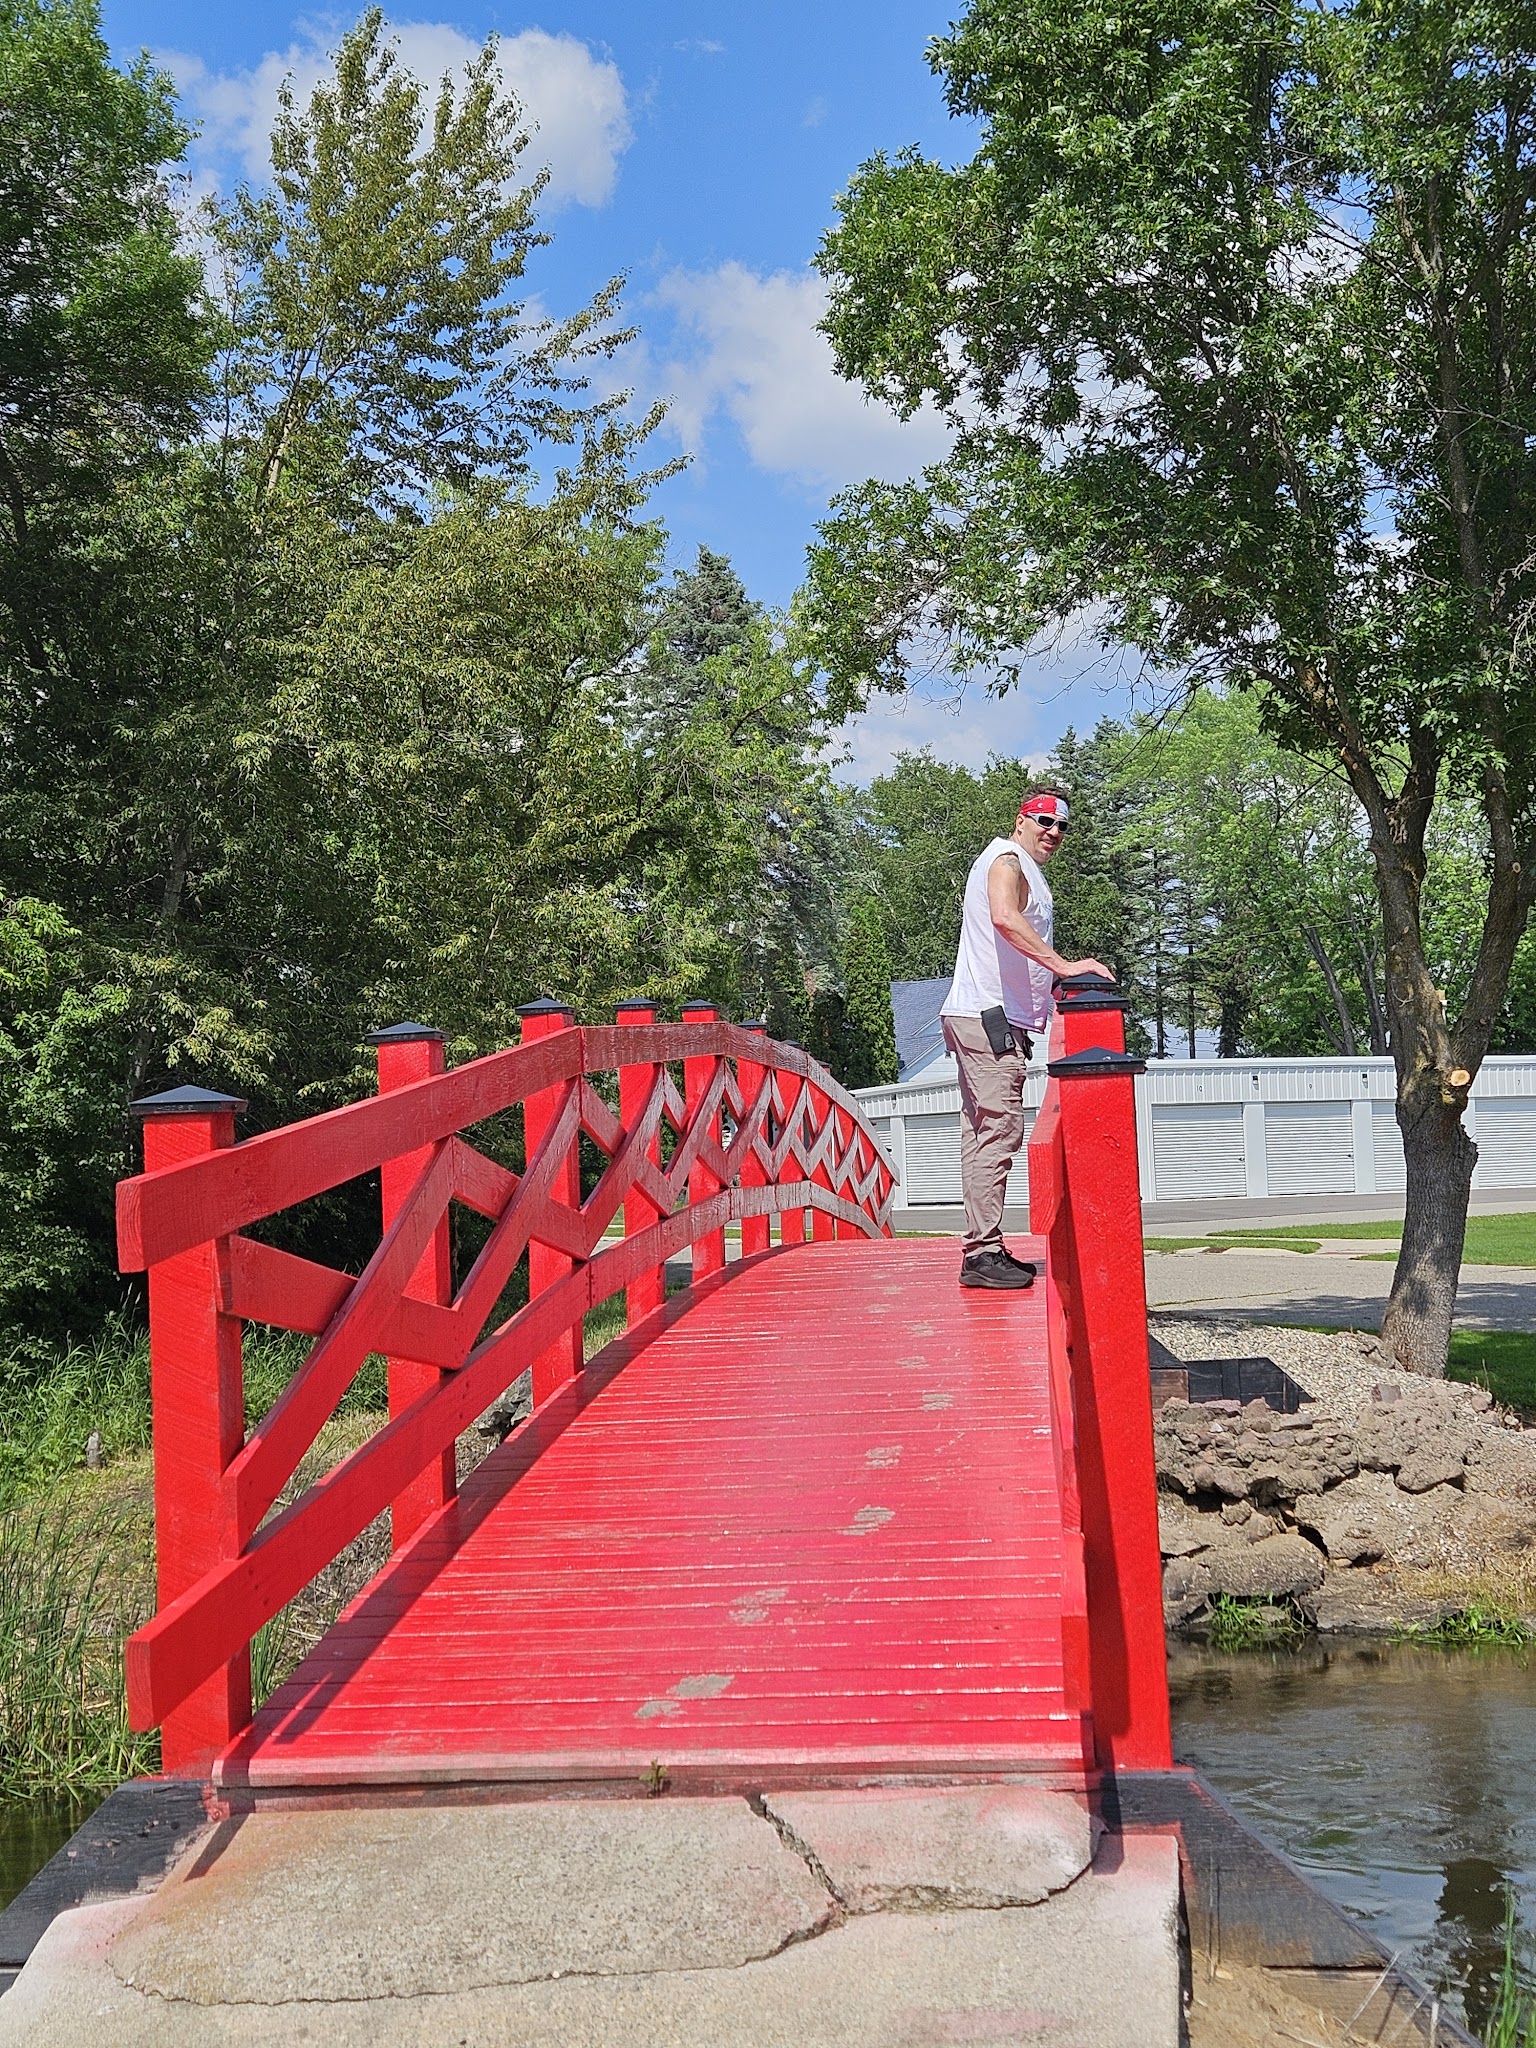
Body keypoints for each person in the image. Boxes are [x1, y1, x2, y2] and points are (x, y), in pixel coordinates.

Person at [940, 790, 1112, 1290]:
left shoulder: (1015, 863)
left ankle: (983, 1246)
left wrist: (1052, 983)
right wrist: (1065, 966)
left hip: (983, 1014)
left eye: (1062, 826)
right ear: (1021, 821)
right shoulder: (1007, 859)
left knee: (983, 1131)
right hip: (988, 1017)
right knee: (999, 1128)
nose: (1053, 831)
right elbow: (1004, 915)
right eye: (1044, 820)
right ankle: (982, 1254)